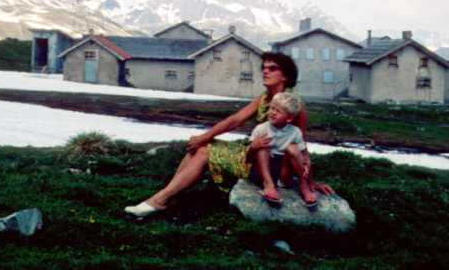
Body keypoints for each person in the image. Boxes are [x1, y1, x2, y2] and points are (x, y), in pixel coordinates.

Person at [125, 52, 333, 217]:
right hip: (256, 152)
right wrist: (206, 136)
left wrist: (309, 181)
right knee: (201, 147)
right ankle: (170, 195)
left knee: (204, 152)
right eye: (263, 68)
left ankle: (160, 200)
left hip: (270, 166)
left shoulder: (294, 105)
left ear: (285, 76)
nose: (265, 71)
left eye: (272, 68)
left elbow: (301, 145)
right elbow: (235, 120)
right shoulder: (265, 97)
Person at [247, 91, 319, 208]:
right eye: (272, 108)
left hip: (283, 173)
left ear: (289, 118)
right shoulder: (261, 129)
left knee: (293, 148)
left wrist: (305, 165)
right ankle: (269, 186)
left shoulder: (295, 132)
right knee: (261, 147)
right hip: (263, 171)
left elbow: (304, 155)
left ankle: (304, 187)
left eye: (279, 111)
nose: (273, 113)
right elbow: (248, 160)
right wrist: (252, 147)